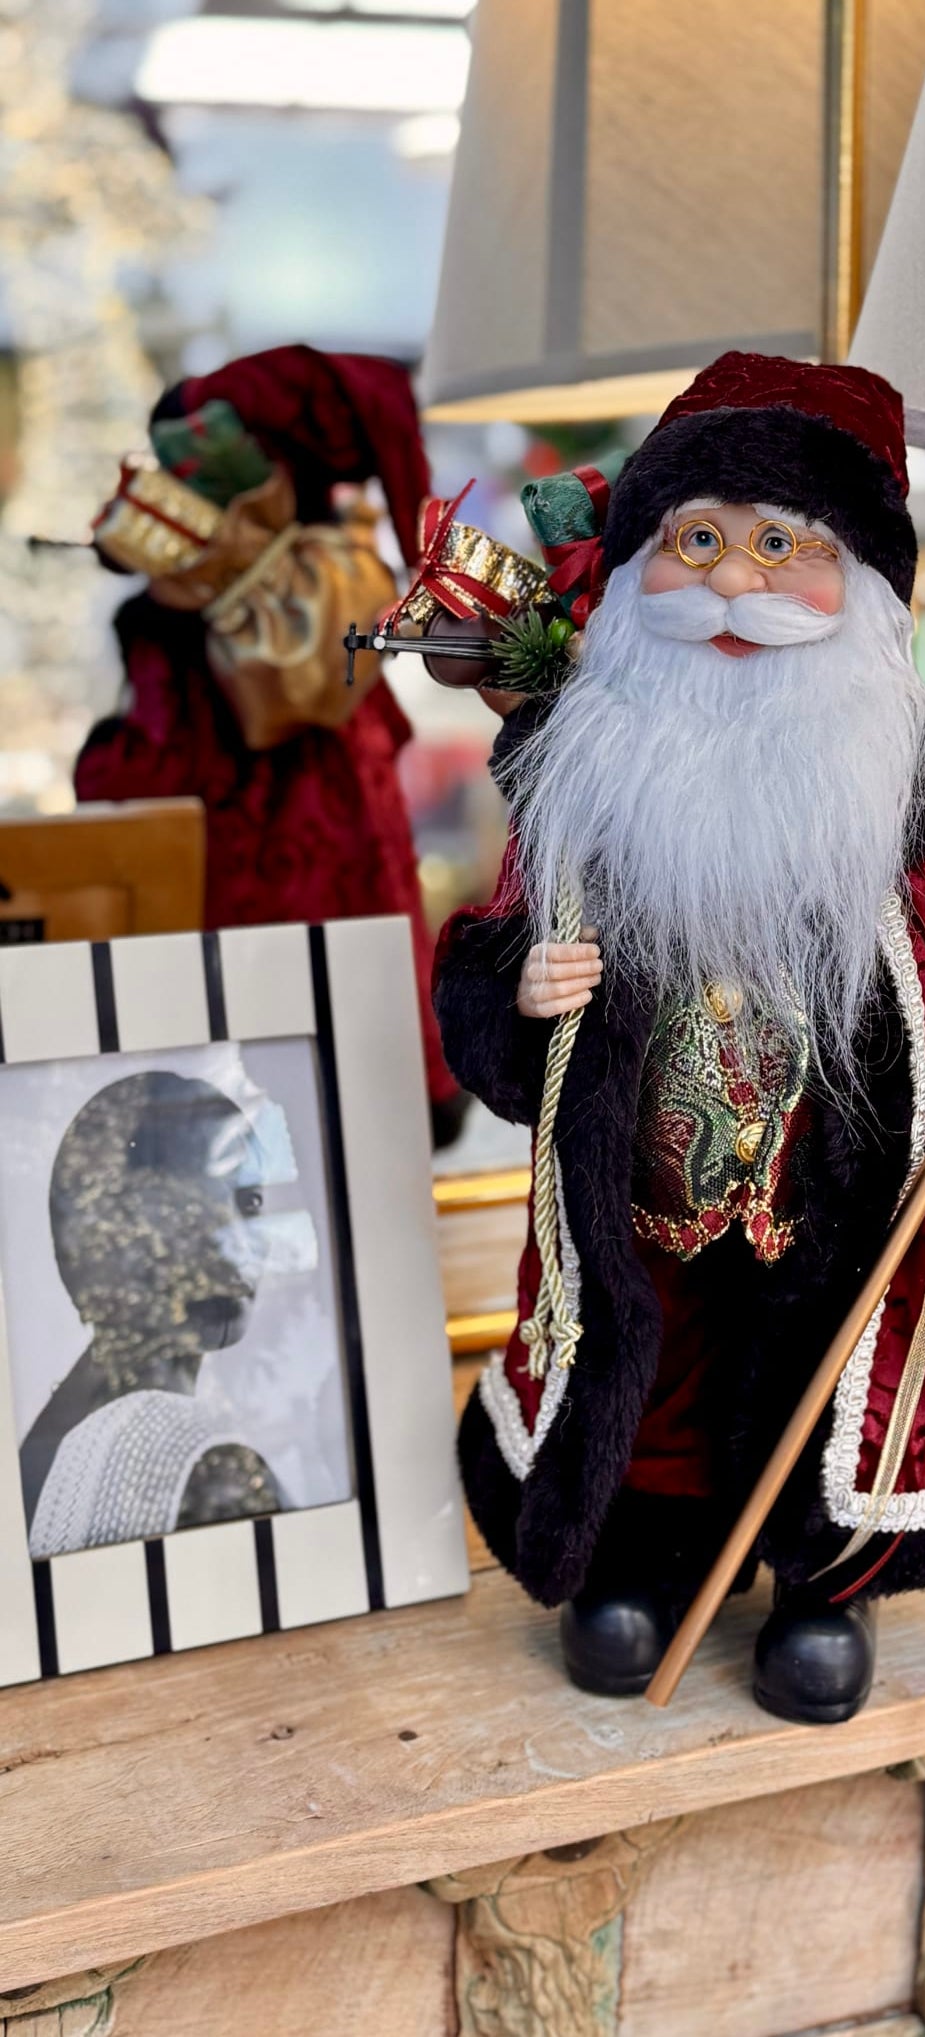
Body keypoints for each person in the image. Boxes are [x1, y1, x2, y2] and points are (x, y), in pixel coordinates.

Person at [435, 353, 925, 1724]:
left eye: (783, 547)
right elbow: (495, 940)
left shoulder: (913, 798)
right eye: (699, 540)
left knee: (829, 1381)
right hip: (641, 1198)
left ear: (865, 591)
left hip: (832, 1201)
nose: (733, 583)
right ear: (638, 567)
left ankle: (822, 1581)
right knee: (651, 1379)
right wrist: (517, 991)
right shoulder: (582, 776)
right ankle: (644, 1555)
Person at [74, 345, 463, 1145]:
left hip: (264, 871)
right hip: (265, 874)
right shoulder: (323, 577)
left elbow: (161, 759)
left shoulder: (317, 584)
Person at [22, 1072, 291, 1558]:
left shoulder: (54, 1439)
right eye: (190, 1207)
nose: (239, 1246)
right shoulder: (198, 1461)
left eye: (251, 1202)